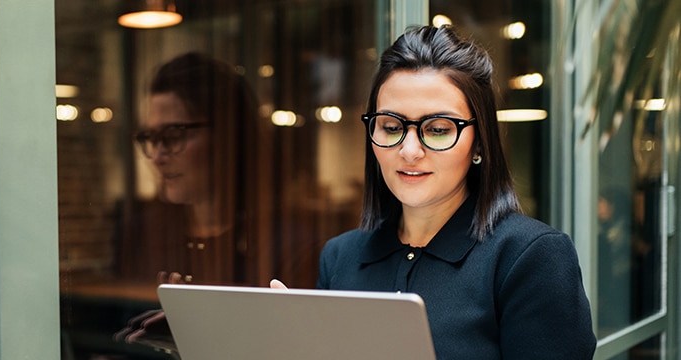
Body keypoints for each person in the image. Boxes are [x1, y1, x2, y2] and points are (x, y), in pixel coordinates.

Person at [274, 25, 596, 359]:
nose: (410, 150)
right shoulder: (340, 257)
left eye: (438, 129)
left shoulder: (529, 258)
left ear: (480, 144)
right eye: (392, 127)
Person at [113, 52, 261, 358]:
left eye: (173, 135)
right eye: (151, 137)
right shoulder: (143, 235)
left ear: (228, 134)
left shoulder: (281, 244)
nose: (157, 155)